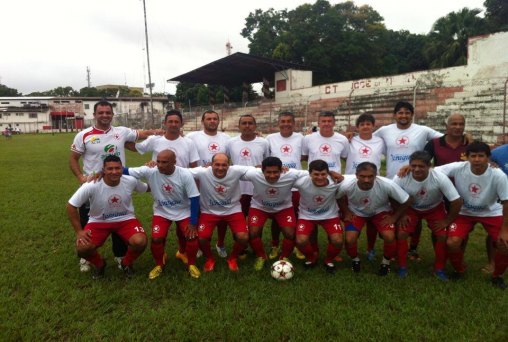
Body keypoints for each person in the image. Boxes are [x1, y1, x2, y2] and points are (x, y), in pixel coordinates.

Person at [69, 99, 160, 272]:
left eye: (108, 112)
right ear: (94, 115)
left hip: (118, 179)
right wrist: (81, 177)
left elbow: (141, 134)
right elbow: (73, 158)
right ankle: (87, 258)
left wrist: (160, 132)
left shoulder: (122, 131)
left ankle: (120, 256)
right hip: (94, 184)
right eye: (101, 112)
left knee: (119, 214)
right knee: (88, 219)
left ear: (112, 114)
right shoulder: (84, 135)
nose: (104, 115)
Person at [374, 101, 443, 260]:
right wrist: (351, 136)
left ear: (412, 115)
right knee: (394, 214)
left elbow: (444, 139)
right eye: (400, 112)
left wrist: (466, 136)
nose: (403, 115)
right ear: (395, 115)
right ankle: (394, 250)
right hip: (394, 179)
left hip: (417, 179)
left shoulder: (423, 130)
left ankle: (412, 248)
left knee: (415, 216)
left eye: (407, 112)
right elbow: (367, 138)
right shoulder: (385, 130)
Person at [435, 141, 508, 289]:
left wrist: (505, 229)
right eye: (473, 156)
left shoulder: (498, 174)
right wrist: (409, 168)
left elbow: (506, 202)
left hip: (491, 212)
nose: (476, 159)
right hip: (464, 212)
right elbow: (433, 171)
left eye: (481, 156)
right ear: (466, 157)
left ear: (488, 158)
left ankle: (497, 275)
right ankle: (459, 269)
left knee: (504, 244)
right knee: (452, 242)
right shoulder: (458, 167)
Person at [66, 155, 148, 279]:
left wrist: (157, 171)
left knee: (140, 241)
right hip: (98, 222)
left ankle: (126, 263)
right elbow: (71, 206)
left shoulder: (130, 180)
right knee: (82, 248)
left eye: (117, 168)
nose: (114, 172)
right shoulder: (92, 185)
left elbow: (148, 188)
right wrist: (79, 231)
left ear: (122, 168)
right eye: (110, 169)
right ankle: (100, 264)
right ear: (103, 170)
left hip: (126, 220)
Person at [123, 150, 201, 279]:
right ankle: (159, 264)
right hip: (162, 212)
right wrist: (101, 172)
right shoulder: (150, 170)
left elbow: (194, 198)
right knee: (156, 238)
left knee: (191, 236)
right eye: (158, 161)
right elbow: (124, 170)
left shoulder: (185, 174)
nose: (159, 165)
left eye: (164, 162)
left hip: (183, 211)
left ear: (174, 162)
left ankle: (190, 263)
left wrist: (193, 222)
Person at [393, 151, 462, 280]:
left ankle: (439, 268)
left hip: (434, 208)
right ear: (409, 165)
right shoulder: (401, 176)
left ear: (429, 166)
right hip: (411, 208)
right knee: (402, 233)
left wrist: (447, 221)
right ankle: (402, 267)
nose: (417, 169)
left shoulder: (439, 177)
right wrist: (400, 215)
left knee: (442, 235)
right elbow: (392, 196)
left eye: (421, 166)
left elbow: (456, 201)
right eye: (413, 166)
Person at [337, 162, 412, 276]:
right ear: (356, 175)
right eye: (363, 176)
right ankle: (355, 260)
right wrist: (346, 211)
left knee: (389, 236)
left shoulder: (387, 184)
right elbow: (338, 197)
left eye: (370, 176)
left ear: (376, 175)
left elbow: (407, 200)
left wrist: (394, 217)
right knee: (350, 239)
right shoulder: (347, 184)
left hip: (380, 212)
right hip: (357, 213)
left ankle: (385, 262)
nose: (366, 179)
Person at [188, 153, 251, 272]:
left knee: (243, 237)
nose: (220, 168)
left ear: (229, 165)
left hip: (233, 210)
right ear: (211, 164)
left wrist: (281, 170)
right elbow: (180, 171)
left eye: (224, 165)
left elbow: (257, 170)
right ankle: (210, 259)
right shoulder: (202, 172)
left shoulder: (236, 170)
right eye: (217, 164)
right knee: (202, 238)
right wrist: (154, 166)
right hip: (209, 212)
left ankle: (232, 258)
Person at [243, 157, 308, 270]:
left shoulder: (290, 174)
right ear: (262, 170)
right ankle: (261, 256)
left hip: (283, 208)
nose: (272, 175)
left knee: (290, 234)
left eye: (275, 172)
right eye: (268, 172)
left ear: (281, 170)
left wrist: (331, 173)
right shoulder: (254, 174)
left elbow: (311, 173)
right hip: (259, 208)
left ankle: (284, 257)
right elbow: (233, 170)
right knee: (253, 233)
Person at [187, 110, 230, 258]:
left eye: (215, 119)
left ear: (219, 121)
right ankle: (200, 244)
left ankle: (220, 243)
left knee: (222, 212)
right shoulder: (192, 137)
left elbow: (230, 159)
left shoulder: (226, 138)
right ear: (202, 121)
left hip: (220, 182)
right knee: (199, 213)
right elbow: (188, 158)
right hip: (199, 181)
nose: (212, 121)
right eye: (209, 119)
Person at [344, 113, 386, 261]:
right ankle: (351, 247)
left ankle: (370, 248)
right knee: (353, 213)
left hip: (372, 183)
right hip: (353, 182)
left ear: (373, 126)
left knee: (371, 216)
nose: (366, 127)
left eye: (368, 124)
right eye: (362, 124)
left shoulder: (380, 141)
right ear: (357, 127)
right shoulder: (349, 140)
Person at [265, 111, 305, 260]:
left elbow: (306, 155)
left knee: (295, 216)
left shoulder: (301, 138)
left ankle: (295, 246)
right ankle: (275, 245)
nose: (286, 124)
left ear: (294, 123)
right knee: (277, 217)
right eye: (283, 121)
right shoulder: (270, 139)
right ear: (278, 123)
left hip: (295, 185)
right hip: (277, 183)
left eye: (289, 121)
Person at [293, 160, 344, 273]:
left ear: (327, 173)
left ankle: (329, 260)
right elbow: (283, 177)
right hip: (307, 216)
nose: (320, 177)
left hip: (330, 215)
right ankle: (311, 257)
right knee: (301, 241)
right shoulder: (301, 182)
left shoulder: (336, 181)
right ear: (310, 173)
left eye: (323, 174)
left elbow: (355, 179)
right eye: (316, 174)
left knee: (338, 240)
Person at [226, 114, 270, 218]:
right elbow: (225, 160)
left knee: (255, 219)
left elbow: (267, 162)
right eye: (244, 123)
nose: (247, 126)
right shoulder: (231, 143)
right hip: (237, 187)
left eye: (250, 123)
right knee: (239, 218)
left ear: (255, 126)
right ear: (239, 126)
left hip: (257, 187)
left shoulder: (264, 143)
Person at [128, 110, 199, 168]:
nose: (173, 124)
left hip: (181, 183)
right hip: (159, 183)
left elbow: (194, 168)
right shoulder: (154, 139)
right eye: (170, 121)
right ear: (165, 123)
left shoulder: (189, 143)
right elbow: (135, 148)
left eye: (176, 122)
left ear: (181, 124)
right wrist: (120, 140)